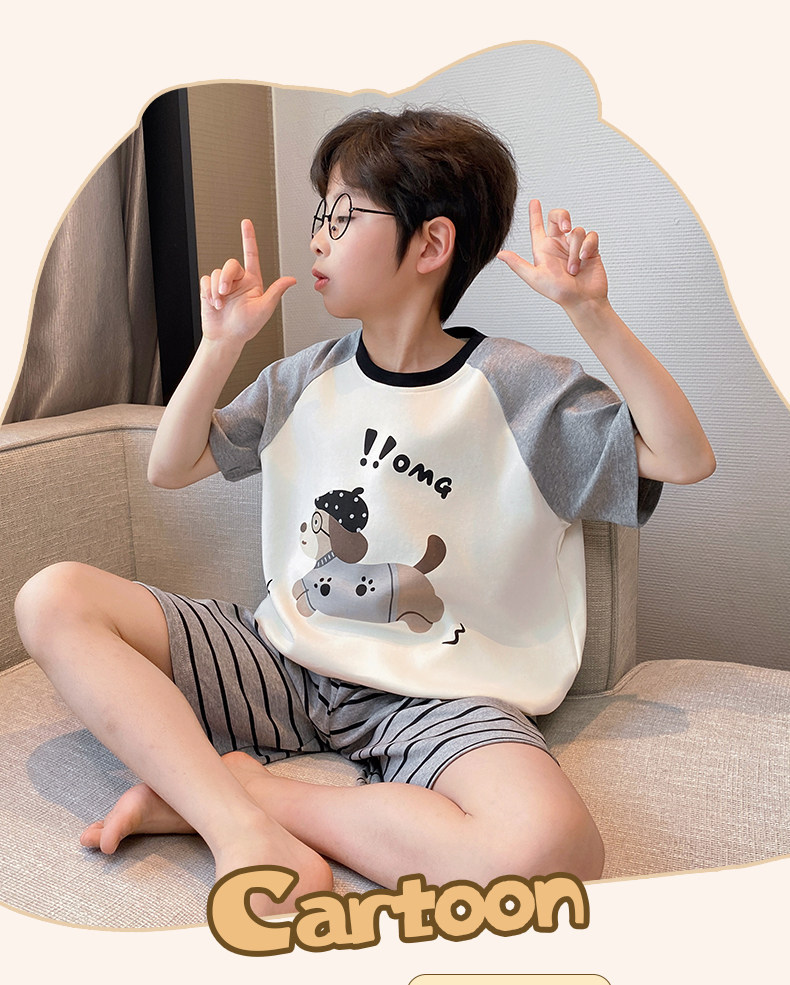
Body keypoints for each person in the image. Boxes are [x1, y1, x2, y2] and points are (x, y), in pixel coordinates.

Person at [14, 107, 715, 916]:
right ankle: (237, 826)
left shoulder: (522, 391)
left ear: (432, 243)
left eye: (343, 216)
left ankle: (247, 793)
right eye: (321, 214)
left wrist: (591, 311)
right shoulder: (303, 377)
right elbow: (169, 467)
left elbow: (684, 457)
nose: (317, 237)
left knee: (551, 851)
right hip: (283, 660)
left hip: (441, 694)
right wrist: (219, 344)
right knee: (53, 597)